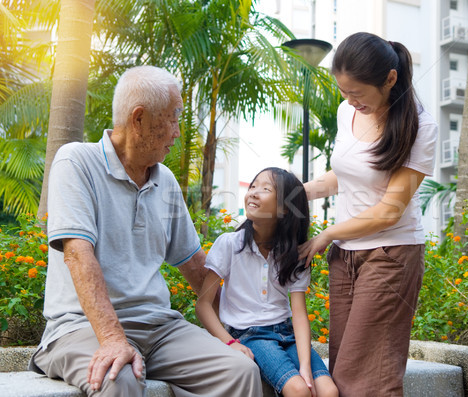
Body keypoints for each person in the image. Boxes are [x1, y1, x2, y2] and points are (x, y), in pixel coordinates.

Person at [28, 65, 262, 397]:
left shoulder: (163, 179)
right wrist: (112, 338)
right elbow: (78, 256)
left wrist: (248, 323)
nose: (178, 132)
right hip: (80, 327)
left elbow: (196, 266)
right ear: (138, 119)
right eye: (172, 119)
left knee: (239, 370)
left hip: (159, 329)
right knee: (116, 377)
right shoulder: (76, 162)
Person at [298, 32, 438, 396]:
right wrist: (298, 191)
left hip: (389, 255)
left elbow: (390, 212)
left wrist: (326, 234)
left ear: (390, 79)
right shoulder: (348, 113)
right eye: (344, 92)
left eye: (357, 92)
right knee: (343, 369)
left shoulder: (421, 127)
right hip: (346, 256)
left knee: (368, 379)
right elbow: (346, 175)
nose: (349, 100)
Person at [196, 167, 339, 397]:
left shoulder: (294, 254)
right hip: (251, 335)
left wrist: (305, 366)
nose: (253, 192)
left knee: (328, 391)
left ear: (284, 208)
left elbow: (300, 315)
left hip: (287, 334)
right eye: (253, 186)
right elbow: (202, 305)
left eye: (265, 189)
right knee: (298, 390)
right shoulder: (229, 244)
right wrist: (231, 343)